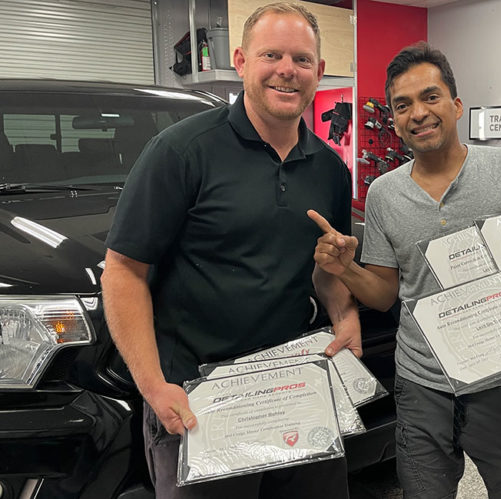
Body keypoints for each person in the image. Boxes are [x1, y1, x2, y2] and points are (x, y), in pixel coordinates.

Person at [101, 3, 358, 498]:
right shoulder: (180, 152)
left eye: (302, 59)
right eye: (271, 55)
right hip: (200, 399)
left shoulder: (329, 169)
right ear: (241, 61)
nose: (287, 70)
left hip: (295, 389)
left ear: (320, 72)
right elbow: (123, 272)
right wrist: (154, 386)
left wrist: (344, 314)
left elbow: (325, 270)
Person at [310, 42, 501, 498]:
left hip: (500, 380)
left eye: (430, 97)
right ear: (393, 120)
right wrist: (347, 269)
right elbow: (384, 294)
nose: (418, 112)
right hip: (421, 385)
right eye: (403, 104)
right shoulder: (384, 195)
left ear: (455, 105)